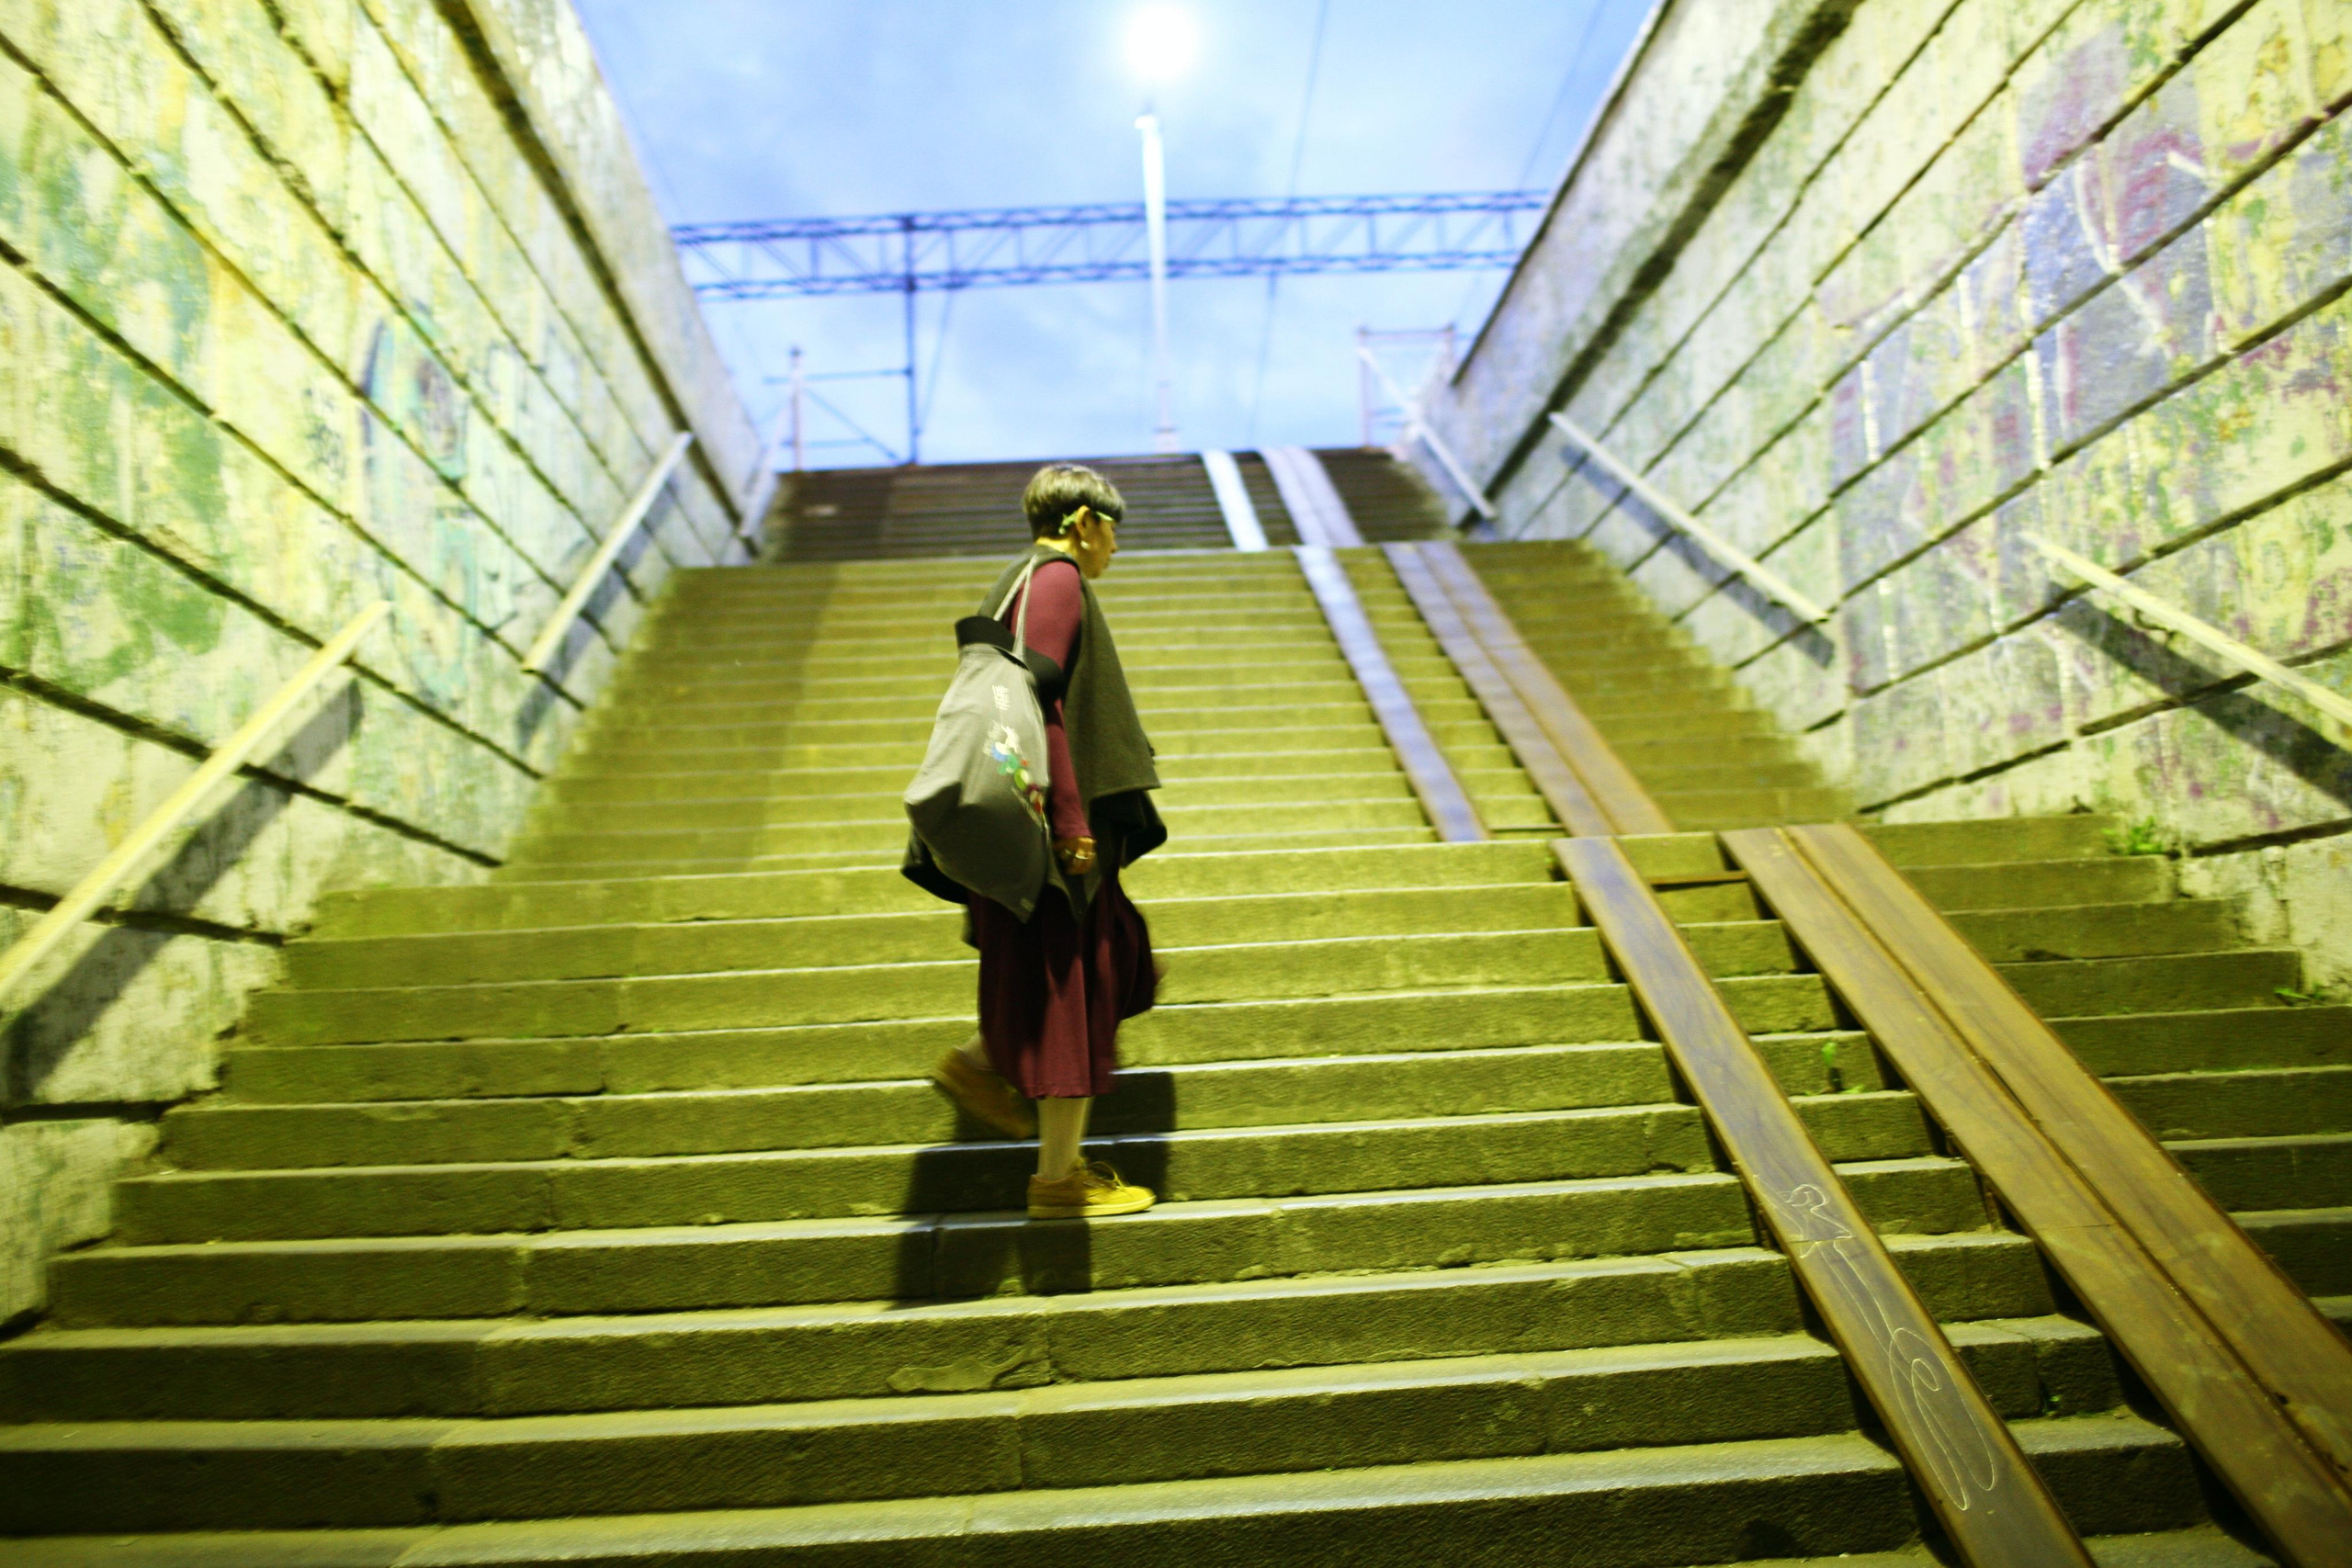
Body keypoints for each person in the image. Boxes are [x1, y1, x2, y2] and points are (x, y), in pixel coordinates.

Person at [919, 464, 1167, 1219]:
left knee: (1104, 965)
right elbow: (1040, 698)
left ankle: (983, 1060)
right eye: (1112, 530)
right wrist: (1069, 823)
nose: (1115, 548)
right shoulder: (1056, 578)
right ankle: (1058, 1178)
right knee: (1076, 985)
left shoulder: (1017, 581)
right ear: (1085, 520)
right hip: (1054, 835)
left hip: (1027, 827)